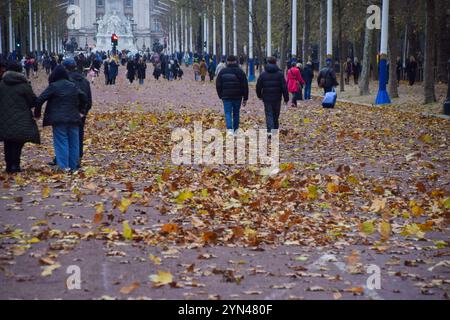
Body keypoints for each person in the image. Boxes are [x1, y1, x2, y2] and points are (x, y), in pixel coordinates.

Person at [34, 65, 87, 172]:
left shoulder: (53, 86)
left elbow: (40, 99)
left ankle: (63, 167)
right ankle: (74, 166)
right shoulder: (73, 85)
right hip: (74, 118)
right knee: (74, 143)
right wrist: (81, 111)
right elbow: (84, 97)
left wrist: (37, 114)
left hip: (58, 119)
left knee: (61, 142)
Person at [0, 61, 40, 173]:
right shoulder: (24, 85)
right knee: (18, 142)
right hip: (21, 118)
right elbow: (32, 101)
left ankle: (8, 166)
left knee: (8, 142)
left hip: (4, 118)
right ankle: (15, 165)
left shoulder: (1, 84)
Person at [62, 59, 92, 167]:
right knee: (79, 135)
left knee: (65, 135)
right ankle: (78, 157)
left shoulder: (66, 81)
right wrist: (84, 112)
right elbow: (89, 100)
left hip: (68, 111)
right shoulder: (85, 81)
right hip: (81, 113)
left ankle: (65, 159)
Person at [216, 55, 249, 135]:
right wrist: (245, 98)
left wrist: (221, 95)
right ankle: (236, 129)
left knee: (227, 112)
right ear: (235, 61)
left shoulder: (223, 72)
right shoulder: (240, 72)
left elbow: (218, 85)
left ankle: (229, 129)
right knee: (236, 112)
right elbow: (245, 85)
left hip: (226, 96)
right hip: (238, 96)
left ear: (227, 61)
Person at [256, 56, 289, 134]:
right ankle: (275, 130)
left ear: (268, 62)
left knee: (269, 114)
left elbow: (258, 86)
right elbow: (284, 87)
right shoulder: (280, 74)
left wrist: (259, 95)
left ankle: (270, 131)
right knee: (276, 114)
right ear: (275, 62)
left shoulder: (263, 74)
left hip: (267, 97)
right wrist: (286, 98)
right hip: (277, 98)